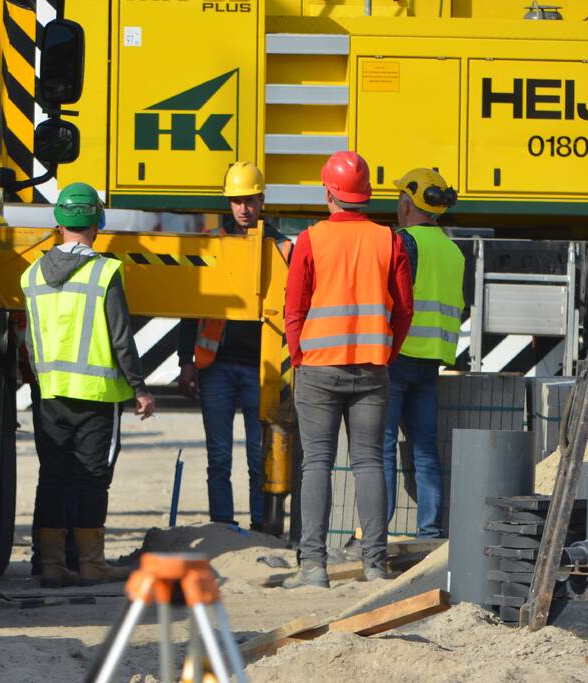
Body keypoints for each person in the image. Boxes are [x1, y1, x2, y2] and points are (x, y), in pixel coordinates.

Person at [283, 151, 414, 587]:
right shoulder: (389, 240)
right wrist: (386, 353)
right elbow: (404, 310)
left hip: (318, 367)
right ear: (366, 194)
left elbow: (294, 309)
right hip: (371, 368)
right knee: (370, 462)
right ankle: (374, 565)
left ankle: (313, 567)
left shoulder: (310, 240)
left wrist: (300, 357)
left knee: (316, 463)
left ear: (329, 192)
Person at [21, 182, 156, 587]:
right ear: (98, 224)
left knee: (52, 476)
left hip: (50, 393)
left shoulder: (31, 275)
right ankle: (91, 564)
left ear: (58, 223)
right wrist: (139, 388)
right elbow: (121, 337)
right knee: (92, 479)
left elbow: (30, 341)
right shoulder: (105, 272)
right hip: (97, 397)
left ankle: (51, 565)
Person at [177, 161, 290, 531]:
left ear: (262, 201)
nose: (244, 208)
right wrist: (186, 361)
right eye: (237, 201)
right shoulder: (212, 244)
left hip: (264, 368)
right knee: (219, 456)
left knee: (260, 457)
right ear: (229, 202)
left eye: (250, 200)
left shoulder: (280, 247)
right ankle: (222, 528)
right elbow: (192, 307)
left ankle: (261, 526)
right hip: (218, 367)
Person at [383, 168, 464, 538]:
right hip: (431, 361)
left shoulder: (402, 242)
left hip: (397, 356)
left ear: (407, 203)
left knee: (383, 447)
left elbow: (390, 300)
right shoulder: (453, 250)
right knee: (425, 449)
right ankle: (429, 532)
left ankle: (377, 532)